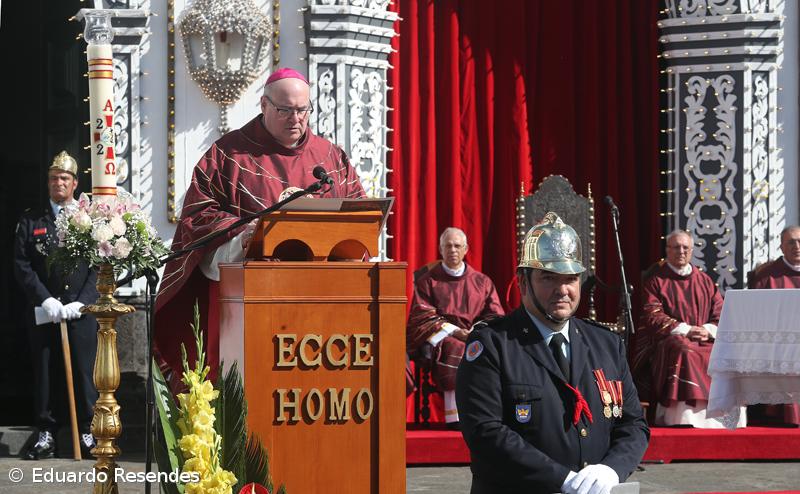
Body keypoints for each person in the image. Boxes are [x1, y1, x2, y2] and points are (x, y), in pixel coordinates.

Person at [155, 68, 365, 381]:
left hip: (322, 298)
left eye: (303, 110)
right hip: (252, 299)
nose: (296, 118)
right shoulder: (228, 154)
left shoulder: (330, 158)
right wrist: (242, 234)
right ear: (264, 105)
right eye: (285, 110)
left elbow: (357, 215)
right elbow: (199, 216)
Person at [456, 213, 649, 494]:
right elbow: (485, 432)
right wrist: (563, 480)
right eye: (548, 278)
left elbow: (633, 424)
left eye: (570, 279)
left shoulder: (607, 344)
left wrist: (612, 469)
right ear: (523, 283)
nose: (563, 290)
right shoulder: (493, 345)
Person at [13, 151, 98, 460]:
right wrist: (44, 298)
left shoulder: (88, 219)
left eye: (63, 178)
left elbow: (99, 265)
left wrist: (84, 302)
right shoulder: (32, 219)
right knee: (45, 374)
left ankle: (88, 432)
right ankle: (46, 433)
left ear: (74, 183)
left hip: (79, 313)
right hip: (44, 311)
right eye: (53, 179)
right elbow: (22, 265)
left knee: (84, 373)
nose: (57, 183)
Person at [634, 229, 745, 427]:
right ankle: (683, 416)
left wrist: (708, 329)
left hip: (704, 336)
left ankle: (722, 418)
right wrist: (686, 330)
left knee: (727, 350)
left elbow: (721, 313)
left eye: (686, 247)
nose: (681, 251)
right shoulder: (656, 282)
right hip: (671, 339)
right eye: (676, 247)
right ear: (667, 250)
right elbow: (653, 315)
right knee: (684, 350)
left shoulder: (705, 281)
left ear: (692, 251)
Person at [406, 227, 504, 425]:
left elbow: (495, 315)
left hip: (474, 333)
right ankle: (456, 417)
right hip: (440, 335)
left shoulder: (481, 282)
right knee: (456, 346)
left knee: (486, 346)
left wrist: (475, 331)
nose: (453, 250)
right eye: (448, 246)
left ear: (466, 249)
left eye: (457, 246)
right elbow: (422, 316)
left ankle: (484, 411)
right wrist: (455, 332)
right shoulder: (428, 281)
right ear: (440, 249)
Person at [746, 225, 800, 426]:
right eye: (791, 242)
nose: (797, 246)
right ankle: (788, 416)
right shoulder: (768, 276)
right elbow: (754, 314)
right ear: (781, 246)